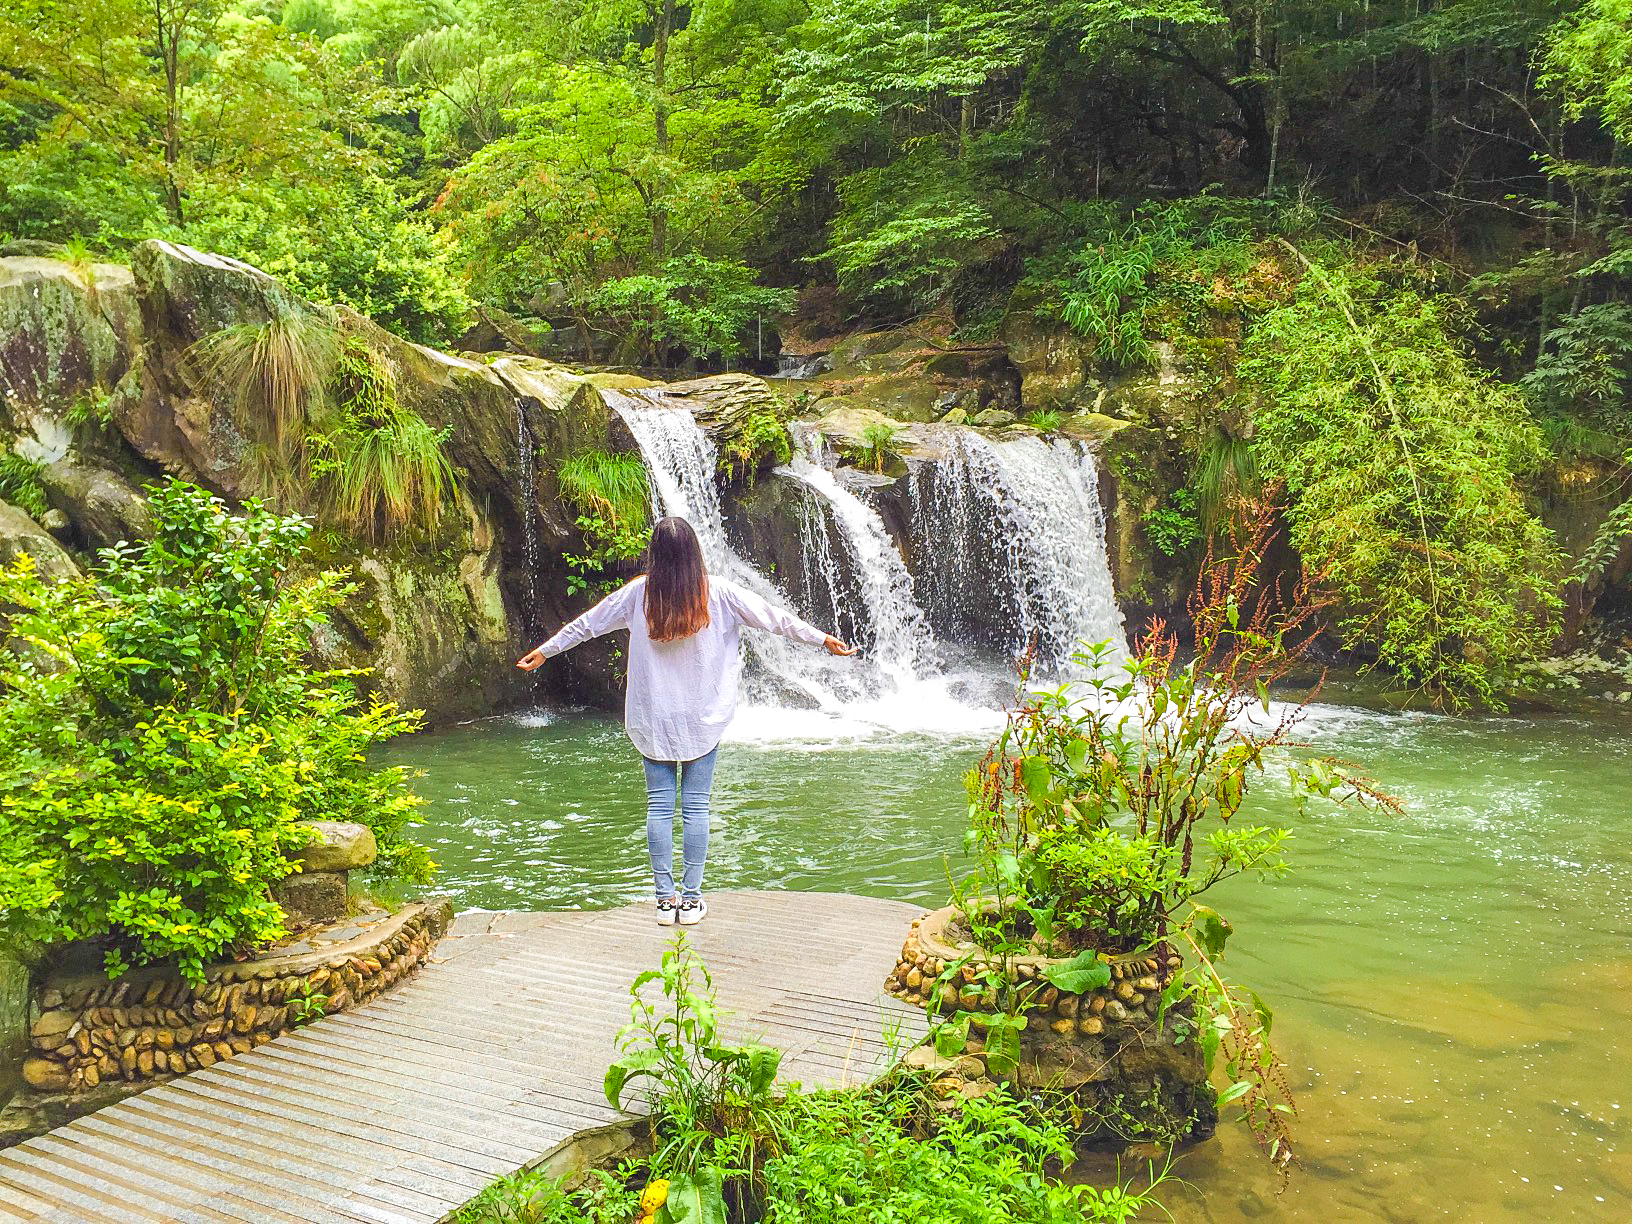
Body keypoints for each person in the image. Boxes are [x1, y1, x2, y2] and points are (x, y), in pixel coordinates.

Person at [516, 517, 855, 926]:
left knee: (659, 807)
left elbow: (588, 624)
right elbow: (774, 618)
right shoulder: (719, 593)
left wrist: (546, 652)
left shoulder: (639, 594)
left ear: (655, 554)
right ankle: (691, 901)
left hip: (653, 716)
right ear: (694, 552)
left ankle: (664, 901)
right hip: (702, 716)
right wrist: (822, 638)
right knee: (696, 808)